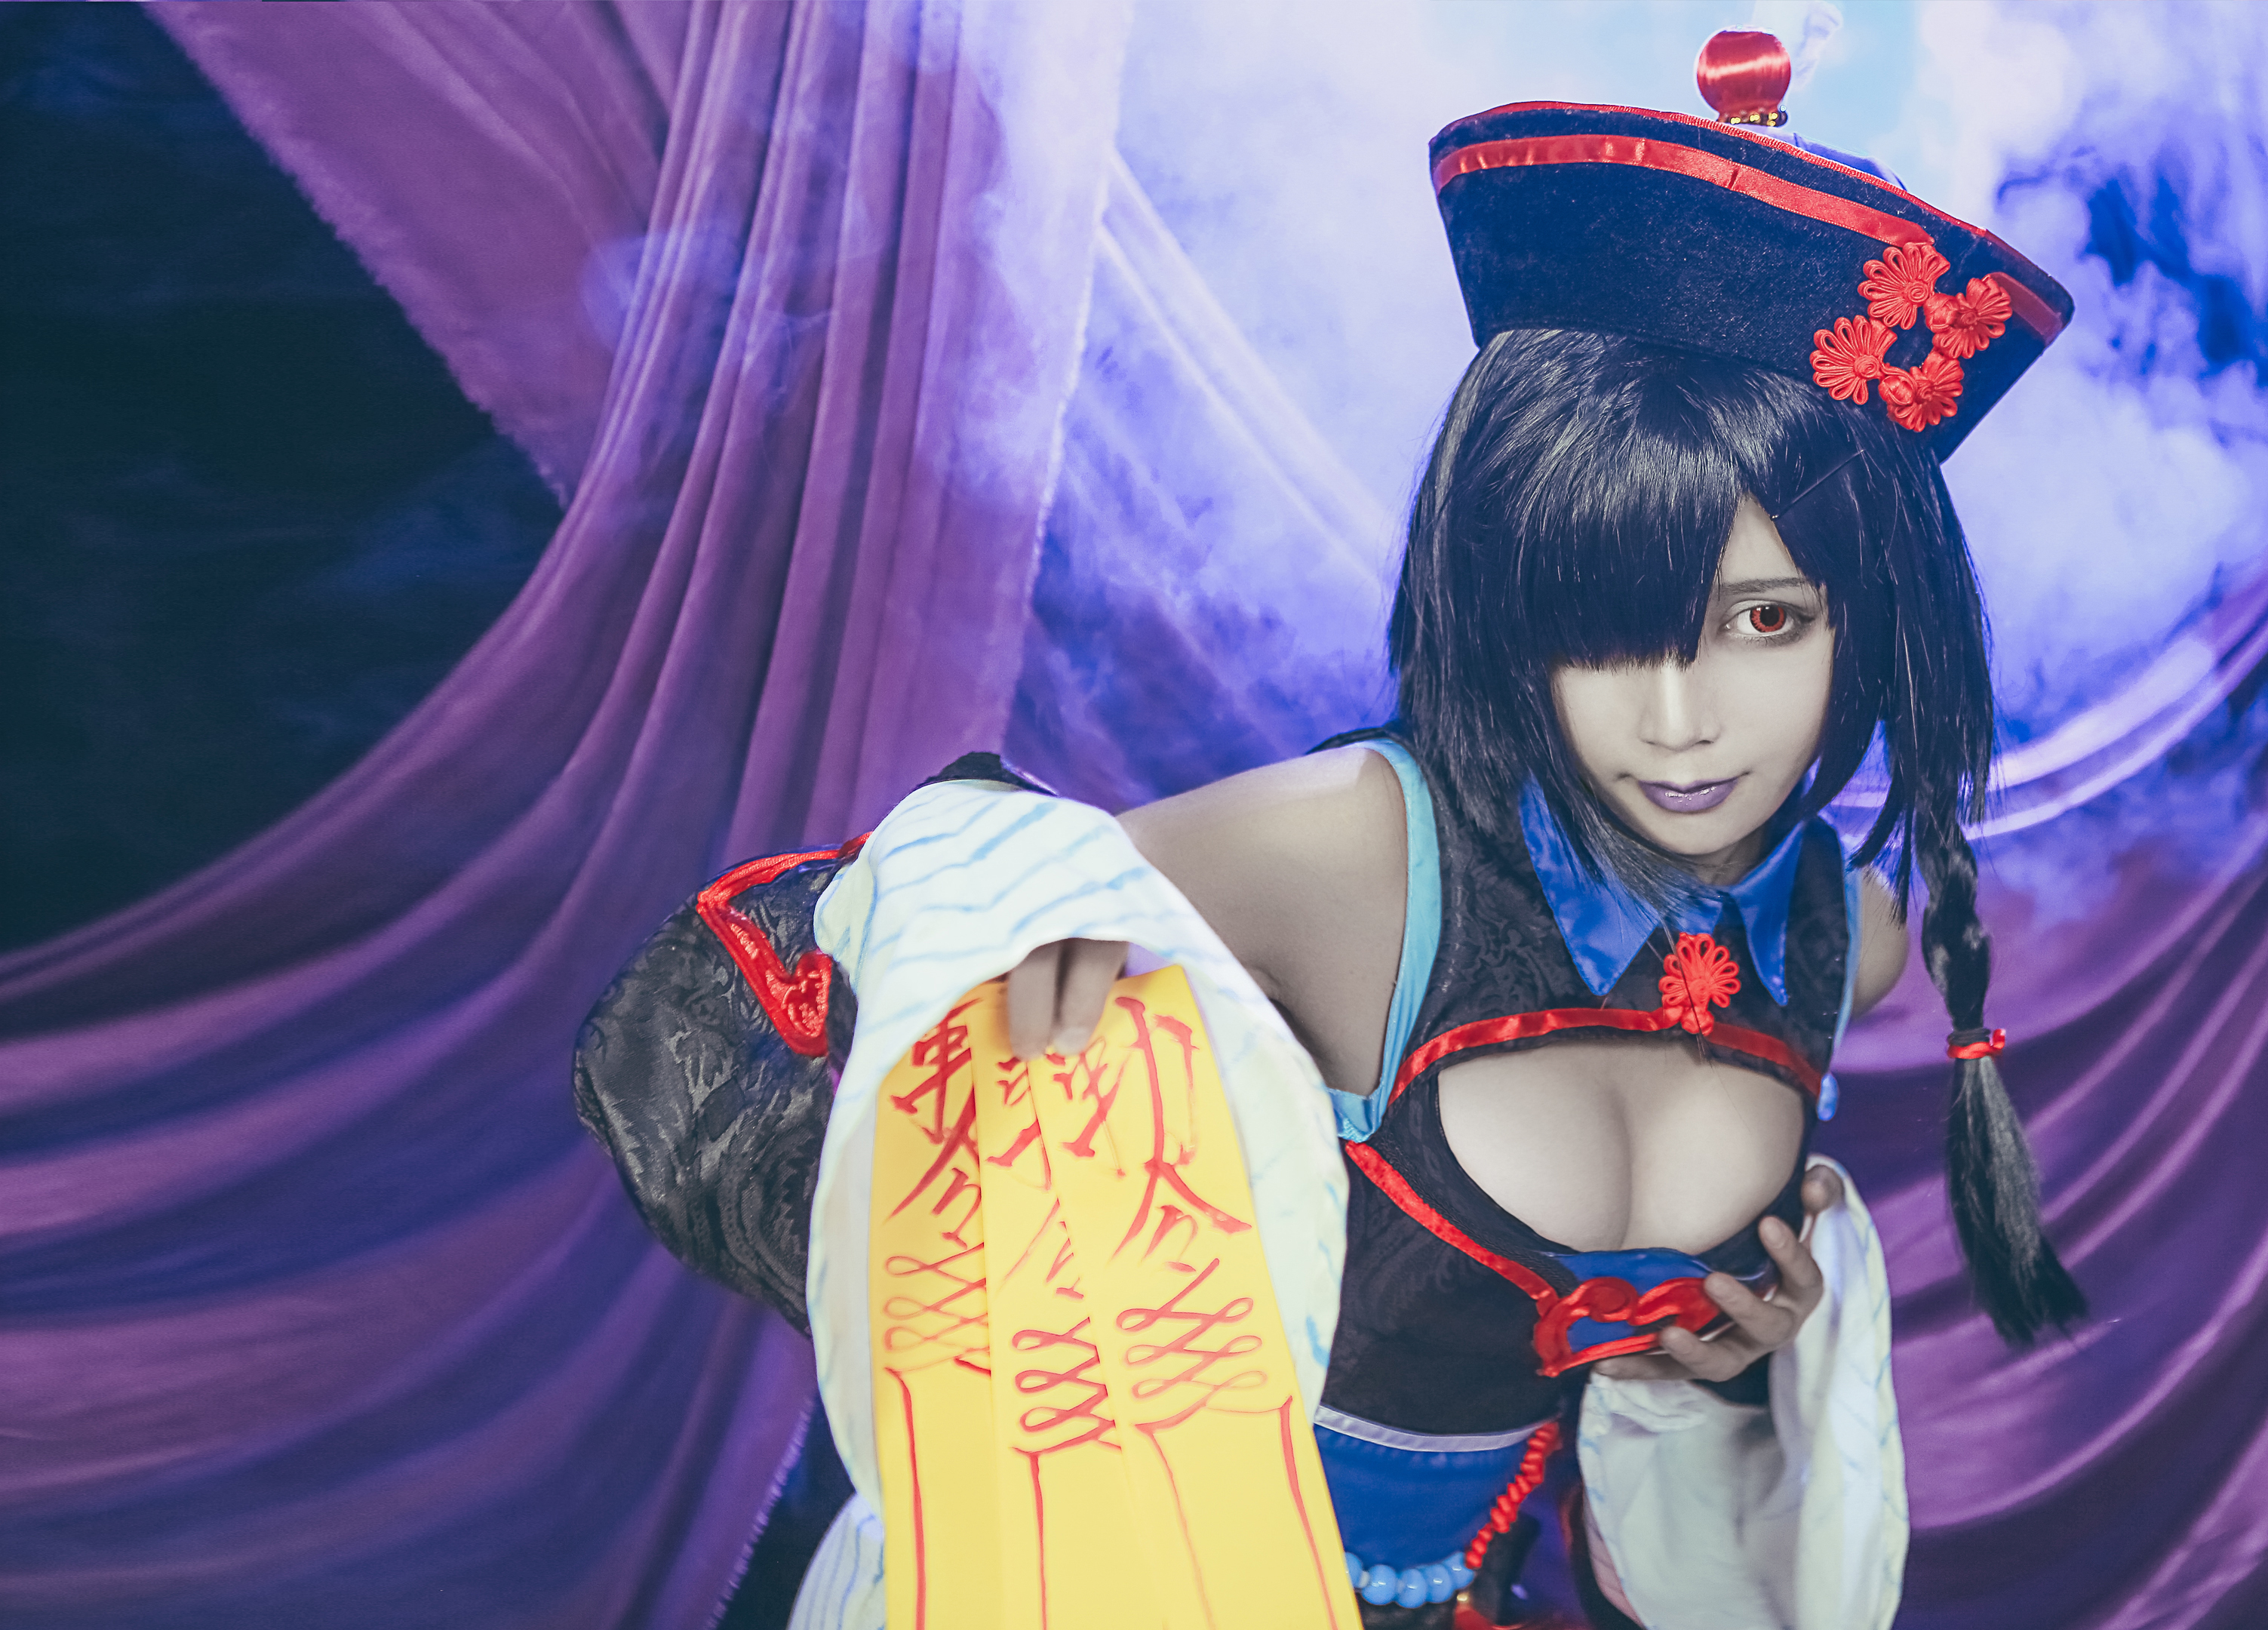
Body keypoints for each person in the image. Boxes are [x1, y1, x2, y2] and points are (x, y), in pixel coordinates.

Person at [577, 31, 2082, 1630]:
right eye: (1599, 630)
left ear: (1879, 618)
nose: (1679, 720)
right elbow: (693, 1032)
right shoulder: (1352, 860)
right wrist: (985, 1052)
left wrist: (1713, 1374)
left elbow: (1632, 1423)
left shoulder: (1847, 939)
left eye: (1766, 621)